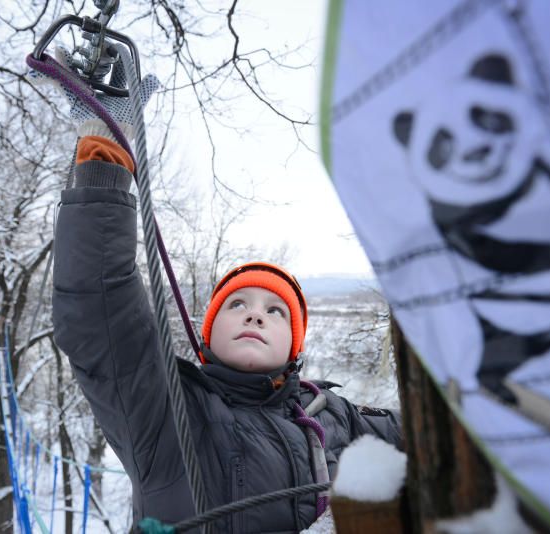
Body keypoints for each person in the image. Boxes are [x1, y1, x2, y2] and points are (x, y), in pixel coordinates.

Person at [42, 44, 402, 533]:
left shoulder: (334, 415)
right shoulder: (165, 408)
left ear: (295, 344)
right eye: (238, 304)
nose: (256, 315)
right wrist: (107, 152)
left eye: (276, 312)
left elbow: (445, 431)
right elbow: (99, 306)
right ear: (206, 332)